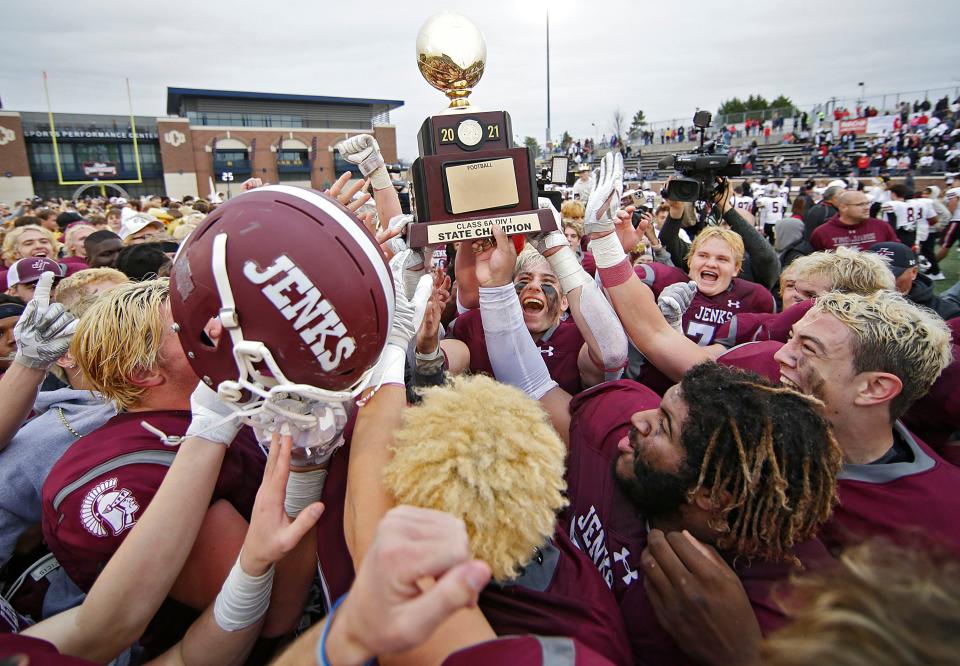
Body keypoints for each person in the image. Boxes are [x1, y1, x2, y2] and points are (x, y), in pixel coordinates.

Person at [472, 225, 842, 664]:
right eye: (661, 409)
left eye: (664, 426)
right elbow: (534, 384)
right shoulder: (625, 435)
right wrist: (496, 288)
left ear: (714, 494)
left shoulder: (781, 610)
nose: (641, 419)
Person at [867, 241, 959, 319]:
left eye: (891, 275)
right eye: (872, 275)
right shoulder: (855, 304)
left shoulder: (945, 313)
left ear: (914, 272)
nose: (880, 281)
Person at [809, 190, 899, 251]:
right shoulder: (822, 232)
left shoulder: (882, 227)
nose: (867, 208)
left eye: (868, 204)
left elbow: (897, 252)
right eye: (861, 204)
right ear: (843, 207)